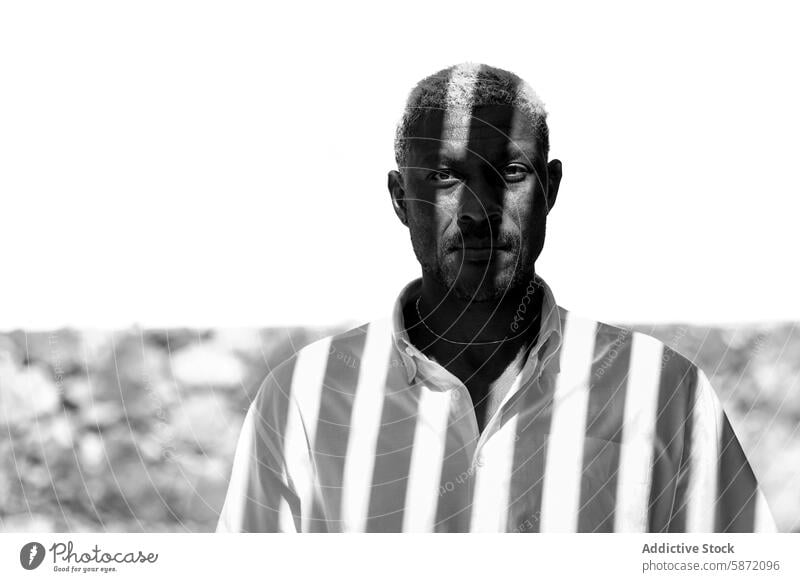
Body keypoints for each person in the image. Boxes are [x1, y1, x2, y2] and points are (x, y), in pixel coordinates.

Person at [216, 62, 776, 533]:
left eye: (510, 172)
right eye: (443, 177)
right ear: (399, 199)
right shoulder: (303, 402)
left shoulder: (664, 391)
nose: (479, 209)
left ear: (550, 189)